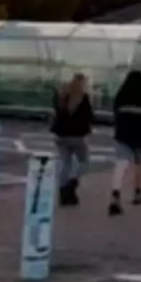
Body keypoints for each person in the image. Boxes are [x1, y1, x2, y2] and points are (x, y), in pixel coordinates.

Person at [108, 70, 141, 216]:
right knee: (139, 164)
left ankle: (115, 195)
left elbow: (115, 115)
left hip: (123, 135)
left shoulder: (121, 96)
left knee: (121, 165)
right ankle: (138, 192)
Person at [51, 72, 94, 207]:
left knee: (66, 163)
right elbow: (89, 116)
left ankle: (63, 189)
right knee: (84, 163)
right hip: (77, 136)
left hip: (61, 135)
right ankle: (71, 184)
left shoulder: (60, 96)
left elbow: (56, 112)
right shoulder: (83, 98)